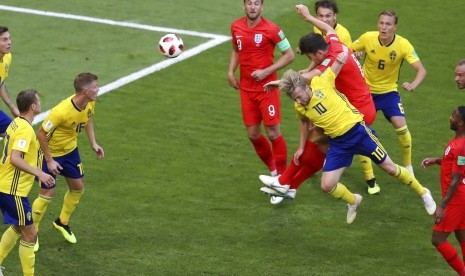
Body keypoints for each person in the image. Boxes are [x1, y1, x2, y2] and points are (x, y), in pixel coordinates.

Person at [260, 51, 436, 224]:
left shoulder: (322, 83)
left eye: (299, 96)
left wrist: (345, 55)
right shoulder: (300, 107)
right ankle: (353, 201)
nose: (299, 101)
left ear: (307, 86)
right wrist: (300, 146)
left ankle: (423, 192)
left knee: (390, 168)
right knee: (327, 185)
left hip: (359, 133)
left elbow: (338, 61)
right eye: (294, 99)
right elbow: (304, 123)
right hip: (338, 144)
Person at [260, 4, 379, 205]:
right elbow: (329, 30)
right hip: (359, 105)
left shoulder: (329, 62)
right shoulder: (334, 43)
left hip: (357, 111)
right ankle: (289, 187)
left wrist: (279, 82)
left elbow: (306, 77)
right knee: (317, 144)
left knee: (314, 139)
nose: (310, 61)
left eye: (309, 57)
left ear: (317, 54)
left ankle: (285, 182)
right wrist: (307, 17)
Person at [31, 73, 104, 251]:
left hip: (70, 151)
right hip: (50, 153)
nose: (98, 89)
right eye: (95, 86)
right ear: (86, 91)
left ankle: (61, 222)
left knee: (78, 188)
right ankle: (32, 233)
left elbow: (88, 118)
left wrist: (93, 142)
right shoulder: (61, 111)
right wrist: (49, 161)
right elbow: (40, 133)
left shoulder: (89, 102)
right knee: (47, 194)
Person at [351, 10, 427, 176]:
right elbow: (345, 50)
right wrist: (354, 54)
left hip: (388, 93)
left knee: (402, 127)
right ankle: (368, 174)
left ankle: (408, 166)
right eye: (381, 23)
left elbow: (421, 70)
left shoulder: (403, 44)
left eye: (388, 24)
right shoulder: (367, 38)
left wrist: (413, 84)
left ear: (395, 27)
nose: (383, 27)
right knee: (359, 128)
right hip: (366, 92)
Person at [228, 0, 295, 177]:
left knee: (273, 134)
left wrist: (267, 71)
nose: (252, 7)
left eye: (256, 3)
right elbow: (236, 49)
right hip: (246, 90)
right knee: (253, 134)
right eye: (249, 3)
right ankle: (274, 171)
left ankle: (282, 180)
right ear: (244, 6)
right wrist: (230, 72)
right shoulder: (236, 27)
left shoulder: (273, 30)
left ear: (262, 7)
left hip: (267, 89)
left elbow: (289, 55)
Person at [0, 90, 55, 276]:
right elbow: (16, 158)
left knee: (18, 227)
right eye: (38, 101)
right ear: (33, 106)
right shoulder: (24, 129)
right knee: (30, 234)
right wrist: (40, 173)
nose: (40, 103)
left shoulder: (16, 123)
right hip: (12, 190)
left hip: (7, 187)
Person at [422, 106, 465, 275]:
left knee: (437, 239)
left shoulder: (461, 145)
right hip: (459, 196)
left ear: (460, 122)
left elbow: (455, 179)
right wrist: (438, 160)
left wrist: (442, 206)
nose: (450, 118)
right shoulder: (458, 141)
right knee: (461, 235)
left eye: (453, 116)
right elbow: (454, 162)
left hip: (456, 198)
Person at [0, 26, 20, 137]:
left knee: (16, 134)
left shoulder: (7, 57)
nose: (9, 43)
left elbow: (0, 83)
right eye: (4, 39)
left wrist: (12, 106)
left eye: (9, 38)